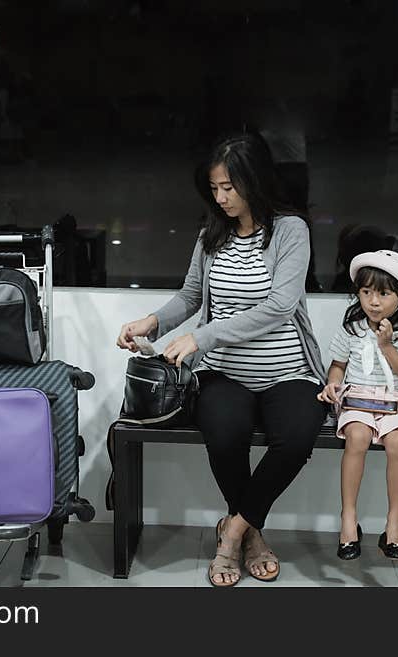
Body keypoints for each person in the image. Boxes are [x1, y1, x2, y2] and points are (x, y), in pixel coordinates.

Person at [116, 132, 328, 587]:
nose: (221, 197)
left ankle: (232, 530)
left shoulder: (291, 231)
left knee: (295, 439)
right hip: (225, 372)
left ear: (254, 181)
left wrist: (201, 337)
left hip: (288, 371)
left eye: (229, 187)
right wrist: (150, 323)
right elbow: (191, 296)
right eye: (214, 188)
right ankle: (253, 539)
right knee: (224, 434)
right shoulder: (211, 234)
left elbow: (279, 307)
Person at [317, 250, 398, 561]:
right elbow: (338, 365)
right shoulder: (352, 326)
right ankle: (348, 520)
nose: (373, 302)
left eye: (383, 293)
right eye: (366, 292)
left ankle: (393, 526)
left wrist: (387, 345)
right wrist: (332, 383)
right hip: (358, 397)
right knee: (358, 437)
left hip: (396, 400)